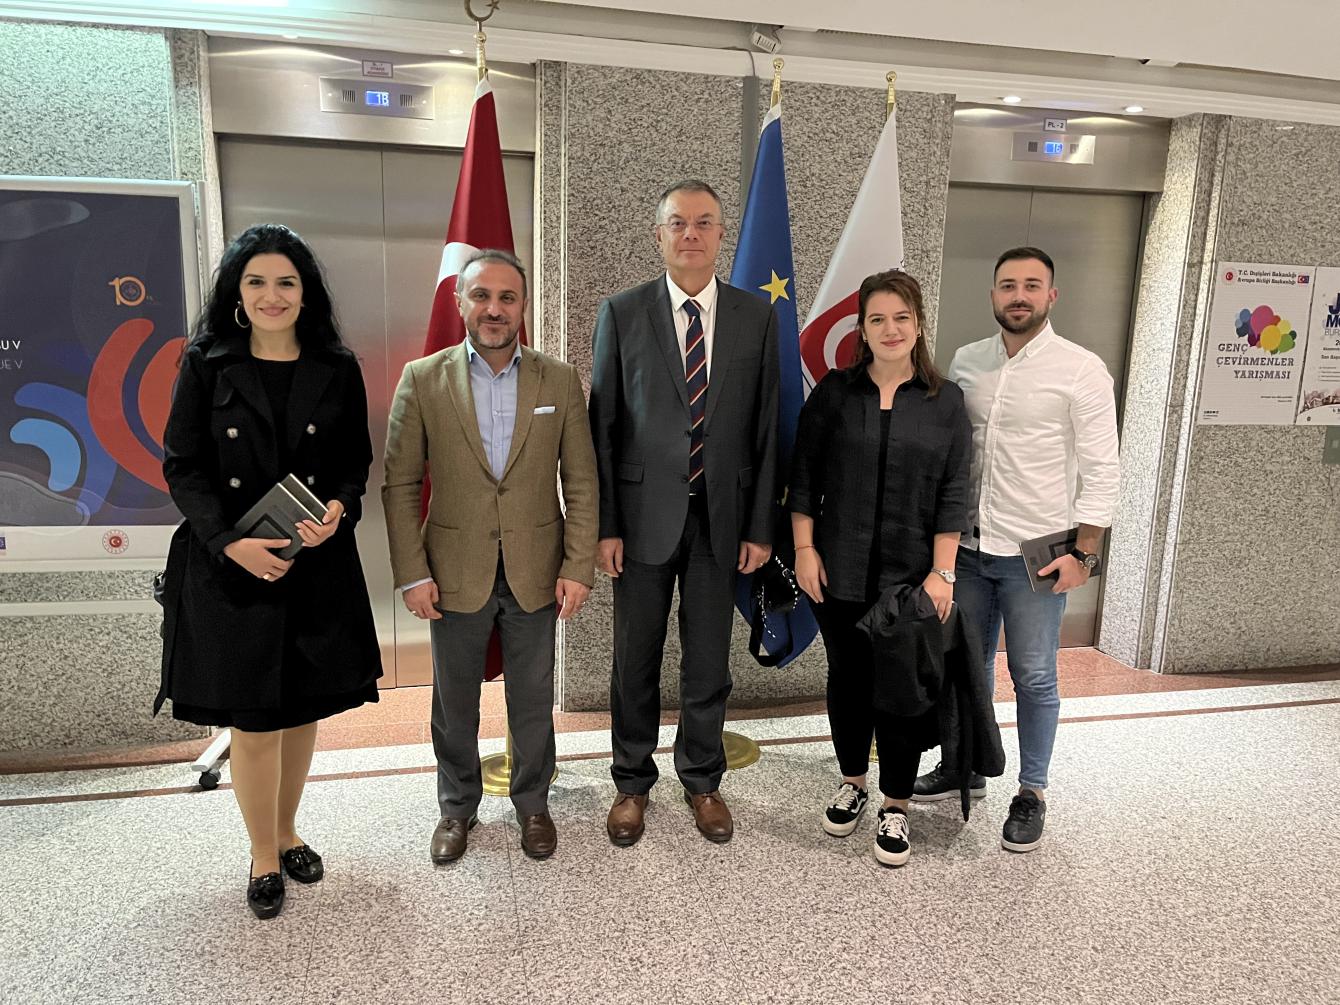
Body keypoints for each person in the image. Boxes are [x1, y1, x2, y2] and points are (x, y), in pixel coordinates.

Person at [157, 223, 382, 920]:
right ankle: (261, 854)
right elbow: (183, 466)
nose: (271, 295)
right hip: (233, 569)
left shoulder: (336, 365)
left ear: (305, 292)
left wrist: (339, 509)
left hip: (313, 564)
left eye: (286, 281)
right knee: (254, 720)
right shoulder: (207, 362)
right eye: (256, 281)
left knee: (301, 710)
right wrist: (229, 542)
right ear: (237, 291)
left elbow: (353, 463)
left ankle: (287, 832)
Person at [383, 249, 597, 864]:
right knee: (455, 703)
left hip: (537, 568)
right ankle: (457, 807)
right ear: (460, 303)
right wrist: (412, 572)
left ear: (523, 306)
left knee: (532, 700)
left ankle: (533, 804)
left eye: (507, 297)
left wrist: (577, 565)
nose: (494, 309)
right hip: (452, 571)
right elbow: (400, 484)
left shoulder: (558, 380)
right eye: (481, 296)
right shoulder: (423, 379)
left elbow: (582, 480)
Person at [589, 179, 780, 846]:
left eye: (703, 223)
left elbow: (766, 429)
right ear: (659, 235)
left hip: (722, 521)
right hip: (641, 519)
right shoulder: (623, 312)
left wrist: (760, 526)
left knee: (707, 662)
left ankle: (702, 778)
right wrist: (606, 525)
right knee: (634, 659)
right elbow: (603, 428)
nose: (690, 234)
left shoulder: (756, 317)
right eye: (678, 223)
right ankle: (631, 782)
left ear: (721, 235)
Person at [913, 246, 1119, 853]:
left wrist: (1085, 555)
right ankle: (966, 765)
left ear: (1051, 295)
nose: (1019, 295)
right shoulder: (967, 361)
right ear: (993, 295)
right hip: (969, 550)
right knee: (967, 669)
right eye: (1008, 285)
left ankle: (1032, 791)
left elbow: (1103, 470)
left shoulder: (1081, 369)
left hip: (1038, 556)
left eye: (1032, 285)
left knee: (1033, 674)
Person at [789, 269, 972, 866]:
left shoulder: (946, 401)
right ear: (861, 329)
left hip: (911, 580)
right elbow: (803, 477)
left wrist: (943, 573)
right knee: (847, 681)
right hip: (836, 570)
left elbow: (954, 493)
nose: (890, 329)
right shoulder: (835, 394)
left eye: (901, 318)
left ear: (918, 325)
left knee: (901, 690)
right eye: (877, 319)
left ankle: (896, 803)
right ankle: (853, 783)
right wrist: (805, 550)